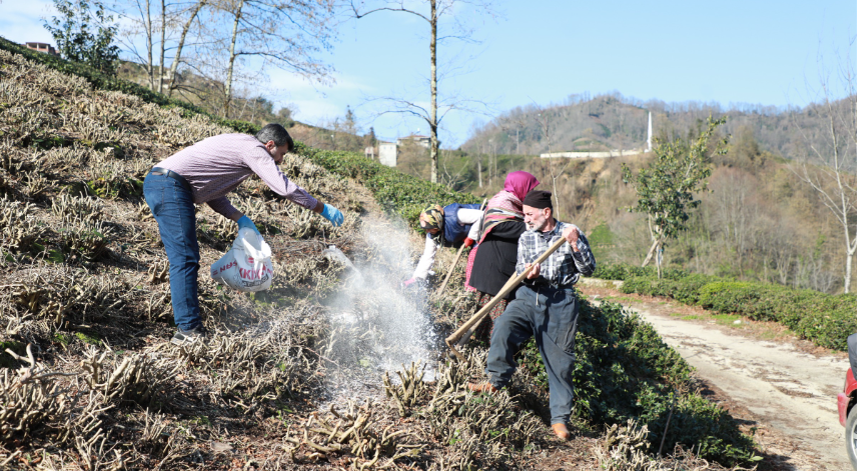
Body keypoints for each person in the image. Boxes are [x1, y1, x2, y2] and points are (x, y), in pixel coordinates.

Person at [143, 123, 344, 346]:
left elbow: (213, 192)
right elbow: (284, 188)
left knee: (185, 257)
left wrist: (240, 218)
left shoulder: (240, 147)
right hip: (168, 184)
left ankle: (188, 327)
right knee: (184, 258)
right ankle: (188, 331)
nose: (280, 161)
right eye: (281, 154)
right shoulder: (253, 149)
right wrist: (321, 208)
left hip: (164, 183)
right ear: (269, 145)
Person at [469, 190, 596, 440]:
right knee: (504, 326)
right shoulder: (526, 237)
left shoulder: (570, 231)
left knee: (560, 362)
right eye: (524, 214)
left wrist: (574, 243)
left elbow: (589, 268)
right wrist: (529, 274)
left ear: (545, 213)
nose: (524, 219)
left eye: (529, 214)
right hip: (528, 295)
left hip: (560, 301)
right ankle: (496, 381)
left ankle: (559, 420)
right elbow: (519, 268)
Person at [467, 171, 540, 337]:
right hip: (493, 272)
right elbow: (498, 227)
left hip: (503, 271)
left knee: (500, 320)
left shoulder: (517, 205)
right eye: (530, 189)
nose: (530, 194)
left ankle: (490, 351)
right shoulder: (502, 202)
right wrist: (530, 228)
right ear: (520, 187)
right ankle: (491, 355)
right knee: (495, 321)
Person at [403, 203, 484, 286]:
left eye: (429, 228)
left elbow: (481, 215)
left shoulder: (455, 215)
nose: (427, 231)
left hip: (486, 228)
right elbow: (427, 256)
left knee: (477, 263)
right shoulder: (432, 235)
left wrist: (471, 237)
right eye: (425, 229)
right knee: (473, 266)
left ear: (438, 222)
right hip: (476, 237)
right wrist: (417, 277)